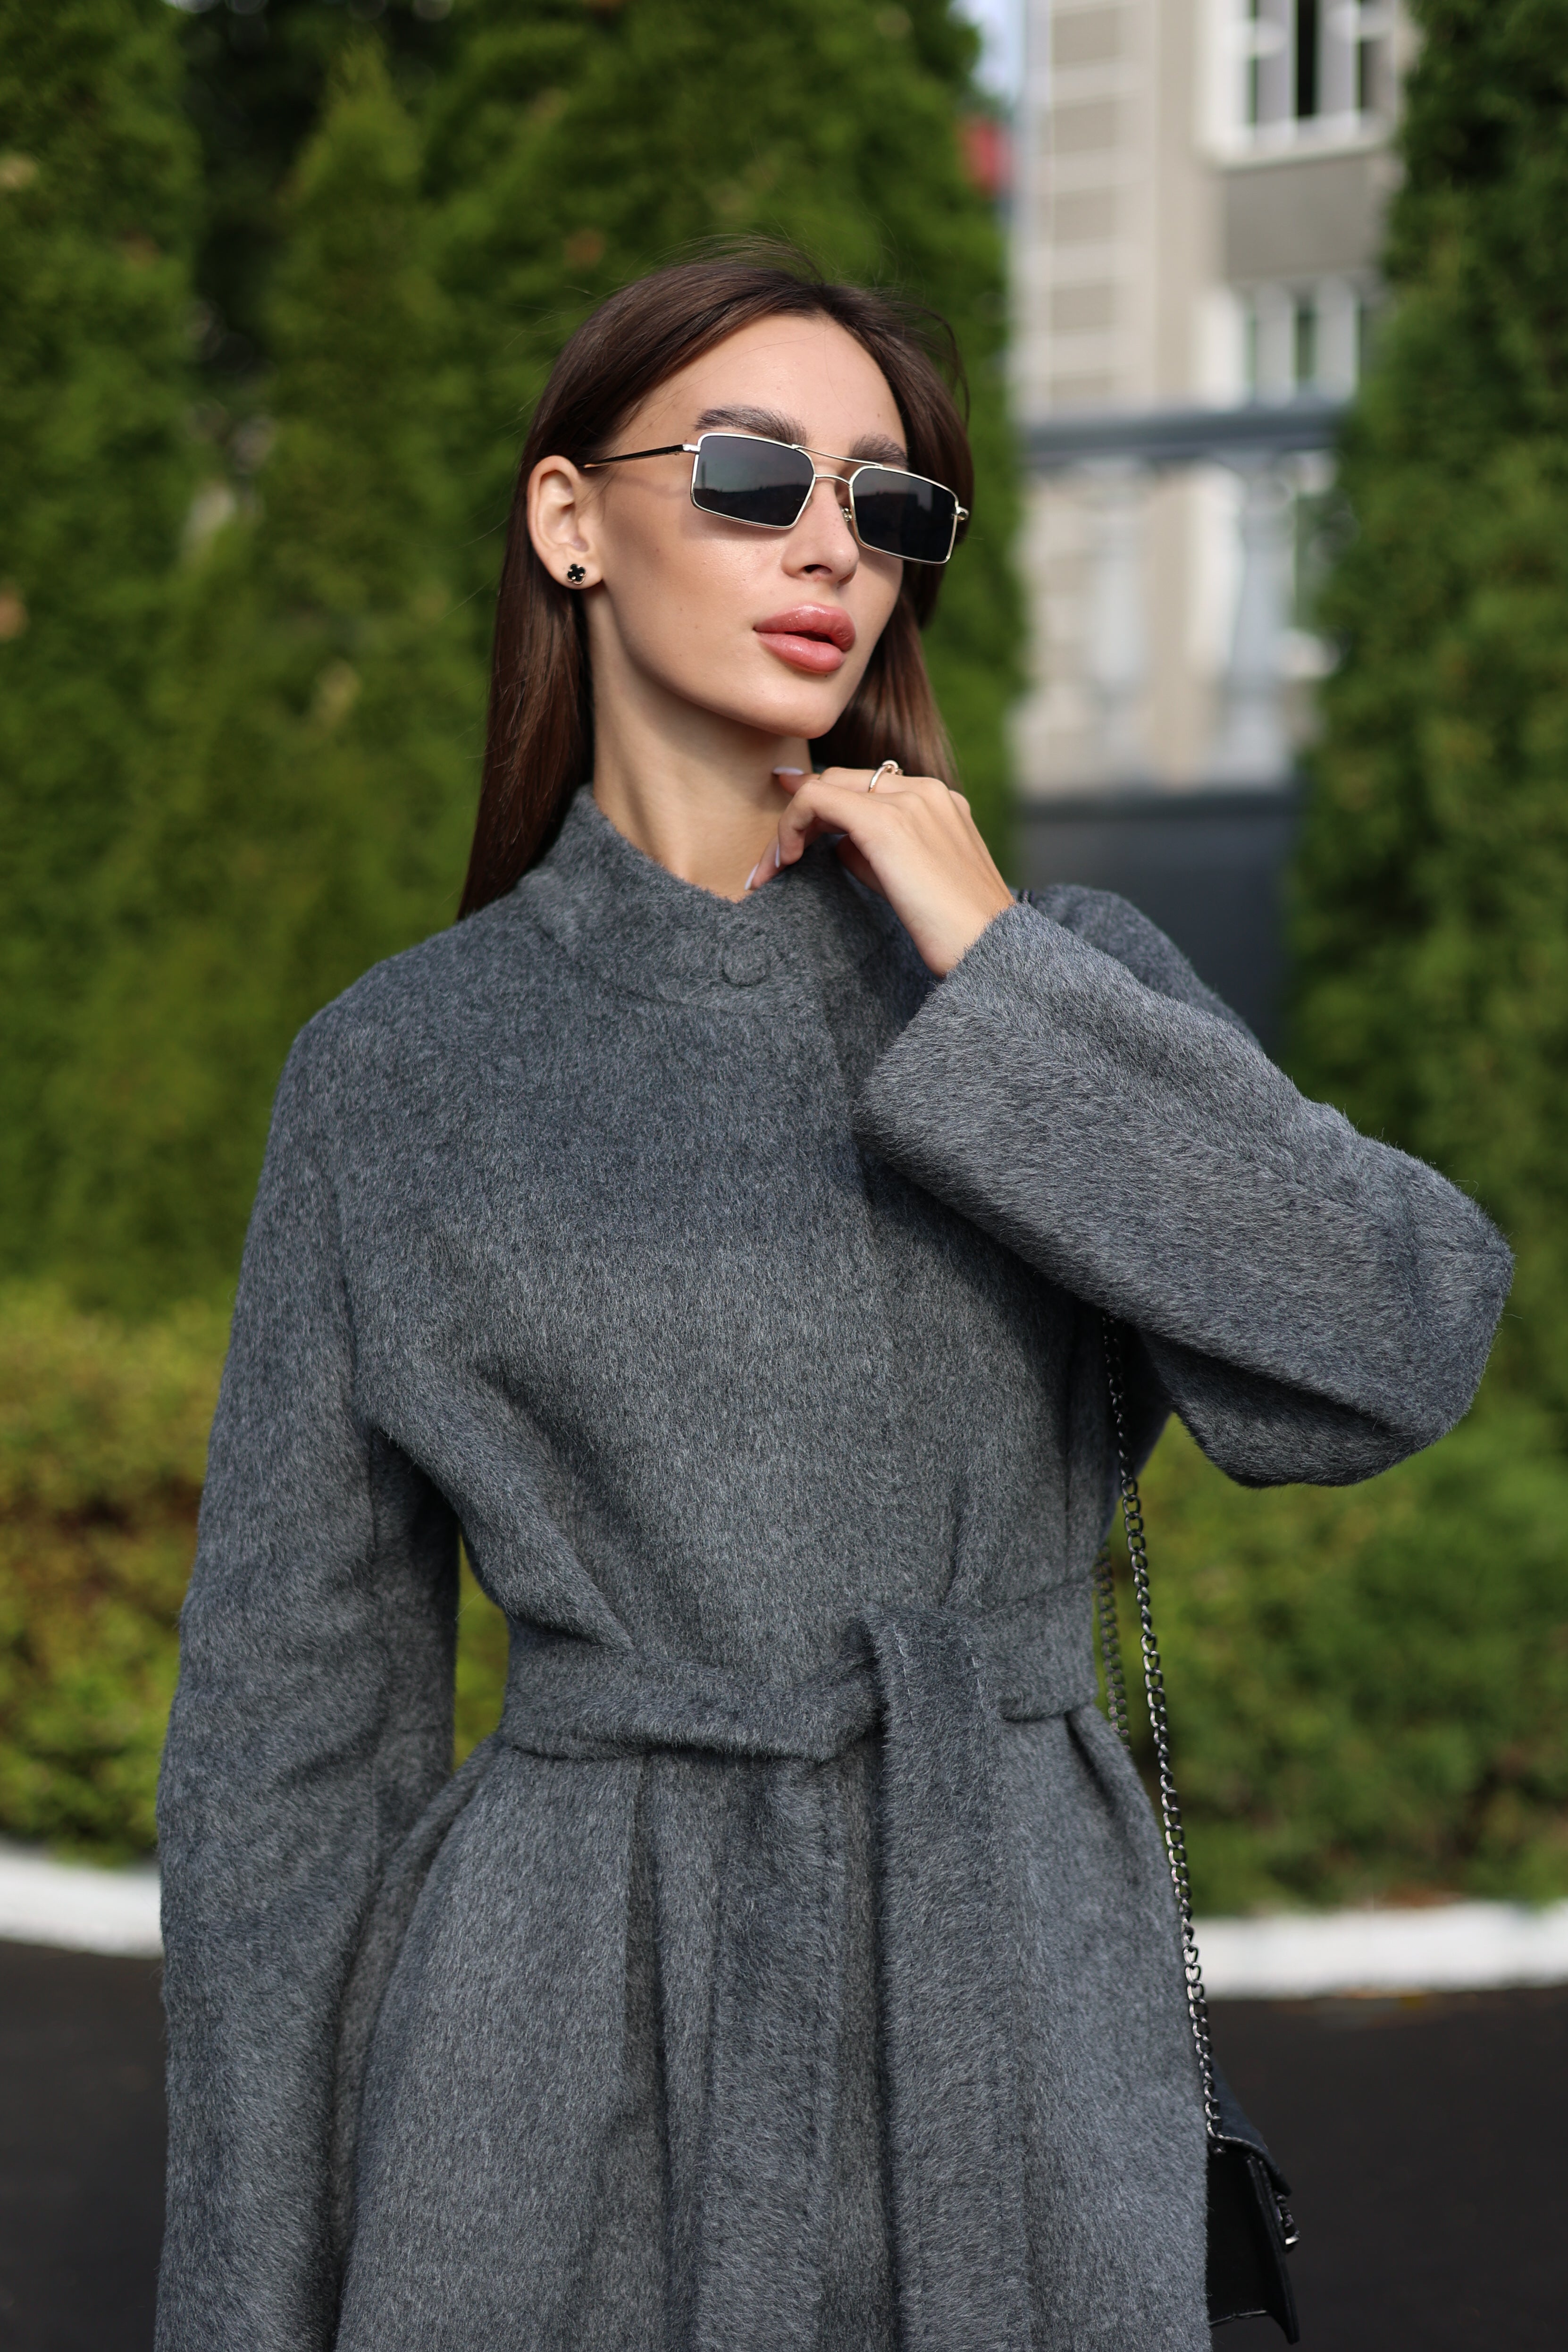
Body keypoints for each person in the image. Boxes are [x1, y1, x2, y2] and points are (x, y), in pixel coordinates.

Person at [155, 253, 1511, 2352]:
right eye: (748, 473)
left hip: (1018, 2026)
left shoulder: (1053, 981)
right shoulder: (400, 1069)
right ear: (569, 519)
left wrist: (1000, 970)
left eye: (886, 501)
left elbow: (1398, 1338)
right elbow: (287, 1761)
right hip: (556, 2052)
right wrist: (246, 2312)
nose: (826, 545)